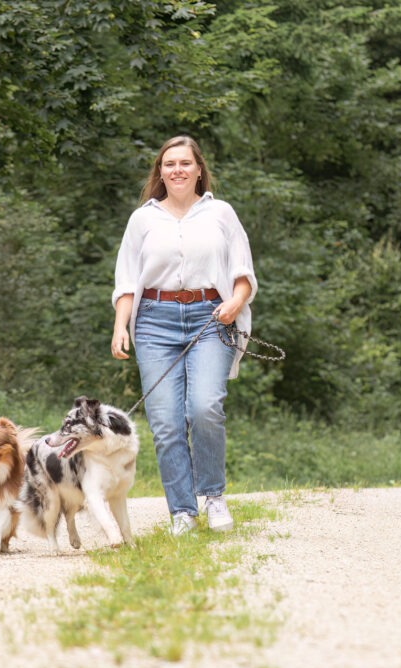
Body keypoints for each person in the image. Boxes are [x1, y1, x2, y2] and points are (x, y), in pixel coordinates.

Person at [110, 135, 256, 537]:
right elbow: (126, 280)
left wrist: (234, 303)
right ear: (160, 171)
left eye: (185, 163)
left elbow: (244, 276)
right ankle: (182, 512)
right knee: (166, 422)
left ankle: (213, 497)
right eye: (169, 164)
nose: (177, 170)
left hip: (211, 317)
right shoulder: (143, 219)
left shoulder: (221, 214)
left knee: (205, 407)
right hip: (154, 321)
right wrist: (121, 326)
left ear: (198, 170)